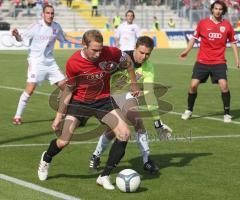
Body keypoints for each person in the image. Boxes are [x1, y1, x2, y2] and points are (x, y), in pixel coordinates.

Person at [37, 30, 140, 190]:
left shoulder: (110, 52)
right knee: (63, 141)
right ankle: (47, 158)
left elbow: (127, 60)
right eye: (94, 50)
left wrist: (133, 83)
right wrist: (58, 116)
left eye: (100, 49)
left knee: (124, 133)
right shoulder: (73, 62)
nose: (99, 53)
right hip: (80, 103)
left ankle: (104, 175)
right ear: (84, 46)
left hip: (103, 100)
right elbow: (68, 90)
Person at [89, 36, 172, 174]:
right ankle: (96, 155)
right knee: (112, 130)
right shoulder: (121, 58)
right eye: (141, 52)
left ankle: (146, 160)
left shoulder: (148, 67)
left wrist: (157, 121)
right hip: (107, 95)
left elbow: (150, 93)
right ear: (135, 48)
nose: (144, 57)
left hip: (126, 95)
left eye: (147, 54)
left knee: (138, 120)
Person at [11, 5, 82, 125]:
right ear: (42, 14)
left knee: (67, 88)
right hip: (36, 62)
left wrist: (81, 42)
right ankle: (17, 116)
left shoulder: (56, 26)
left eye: (52, 13)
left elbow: (65, 37)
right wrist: (16, 35)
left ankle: (66, 113)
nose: (50, 15)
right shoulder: (35, 26)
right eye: (48, 13)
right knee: (31, 88)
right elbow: (21, 38)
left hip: (50, 63)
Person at [180, 0, 240, 123]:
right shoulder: (202, 23)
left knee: (224, 85)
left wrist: (237, 59)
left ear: (223, 11)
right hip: (202, 61)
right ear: (212, 9)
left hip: (219, 61)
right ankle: (189, 110)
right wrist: (186, 51)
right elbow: (194, 38)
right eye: (216, 8)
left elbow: (233, 43)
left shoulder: (227, 25)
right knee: (193, 85)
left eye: (220, 9)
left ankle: (227, 113)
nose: (218, 11)